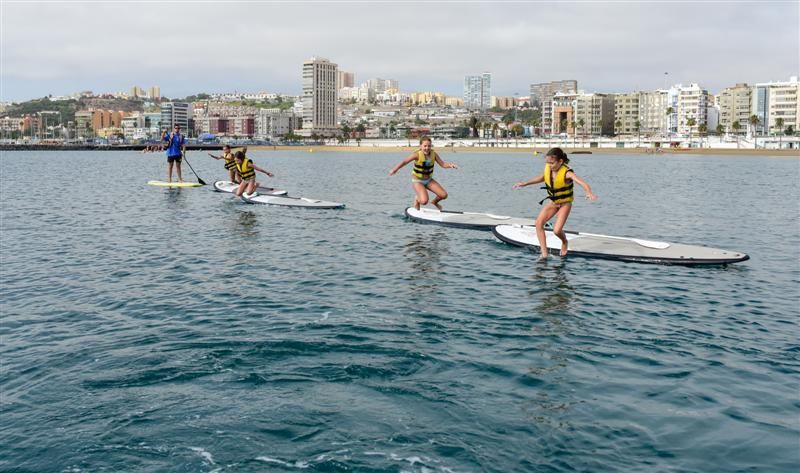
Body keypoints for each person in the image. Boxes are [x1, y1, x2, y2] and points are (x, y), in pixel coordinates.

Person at [513, 147, 597, 258]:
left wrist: (589, 192)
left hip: (565, 204)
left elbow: (583, 183)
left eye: (552, 163)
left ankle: (564, 242)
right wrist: (525, 183)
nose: (549, 165)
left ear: (560, 161)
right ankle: (544, 254)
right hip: (553, 202)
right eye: (547, 163)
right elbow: (542, 177)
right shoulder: (549, 168)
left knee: (557, 231)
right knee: (539, 223)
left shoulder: (567, 173)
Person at [388, 136, 458, 210]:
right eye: (425, 146)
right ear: (421, 146)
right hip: (418, 181)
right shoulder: (417, 154)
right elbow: (404, 162)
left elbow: (443, 164)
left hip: (429, 180)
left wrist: (450, 165)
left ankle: (434, 202)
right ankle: (417, 200)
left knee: (444, 195)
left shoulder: (434, 154)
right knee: (424, 201)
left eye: (429, 146)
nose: (427, 148)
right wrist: (395, 169)